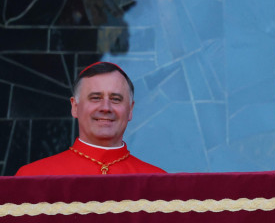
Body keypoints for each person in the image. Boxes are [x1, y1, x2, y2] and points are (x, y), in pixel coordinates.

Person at [16, 62, 165, 176]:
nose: (105, 107)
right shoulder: (34, 176)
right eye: (95, 98)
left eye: (116, 99)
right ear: (75, 107)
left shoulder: (157, 181)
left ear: (130, 110)